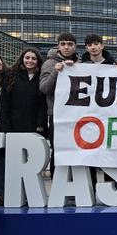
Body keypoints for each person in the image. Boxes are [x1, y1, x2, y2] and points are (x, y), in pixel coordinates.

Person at [39, 33, 79, 168]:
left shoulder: (79, 64)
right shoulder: (49, 63)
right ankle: (57, 182)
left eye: (70, 44)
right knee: (58, 151)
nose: (66, 47)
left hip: (76, 115)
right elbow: (44, 88)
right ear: (58, 46)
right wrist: (56, 72)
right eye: (63, 44)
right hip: (57, 115)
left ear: (75, 47)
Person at [0, 47, 47, 135]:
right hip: (14, 124)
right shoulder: (11, 76)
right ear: (22, 59)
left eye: (33, 58)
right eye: (27, 58)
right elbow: (4, 103)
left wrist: (40, 123)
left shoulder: (42, 77)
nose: (30, 61)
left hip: (35, 125)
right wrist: (6, 126)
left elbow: (43, 104)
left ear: (38, 61)